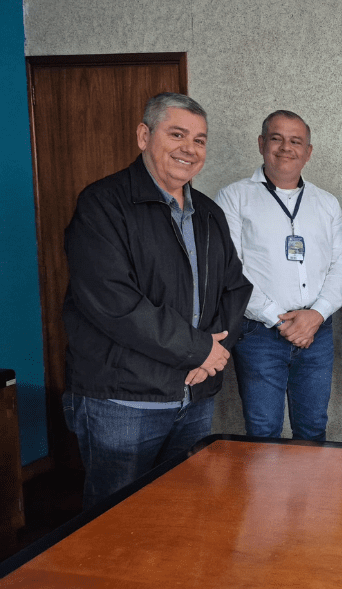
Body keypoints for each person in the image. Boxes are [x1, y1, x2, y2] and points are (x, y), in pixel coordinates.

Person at [62, 93, 252, 509]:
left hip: (194, 396)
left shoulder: (208, 213)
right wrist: (200, 349)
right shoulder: (102, 204)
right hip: (124, 400)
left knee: (183, 515)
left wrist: (214, 355)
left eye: (200, 140)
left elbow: (235, 288)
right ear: (143, 136)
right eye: (177, 134)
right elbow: (114, 303)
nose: (190, 148)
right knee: (116, 519)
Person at [215, 111, 342, 441]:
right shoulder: (234, 197)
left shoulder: (327, 203)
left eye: (296, 141)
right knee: (263, 432)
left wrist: (315, 316)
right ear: (262, 143)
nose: (286, 147)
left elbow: (339, 268)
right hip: (259, 335)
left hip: (317, 333)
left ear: (308, 152)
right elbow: (231, 270)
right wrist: (281, 320)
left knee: (313, 429)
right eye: (277, 138)